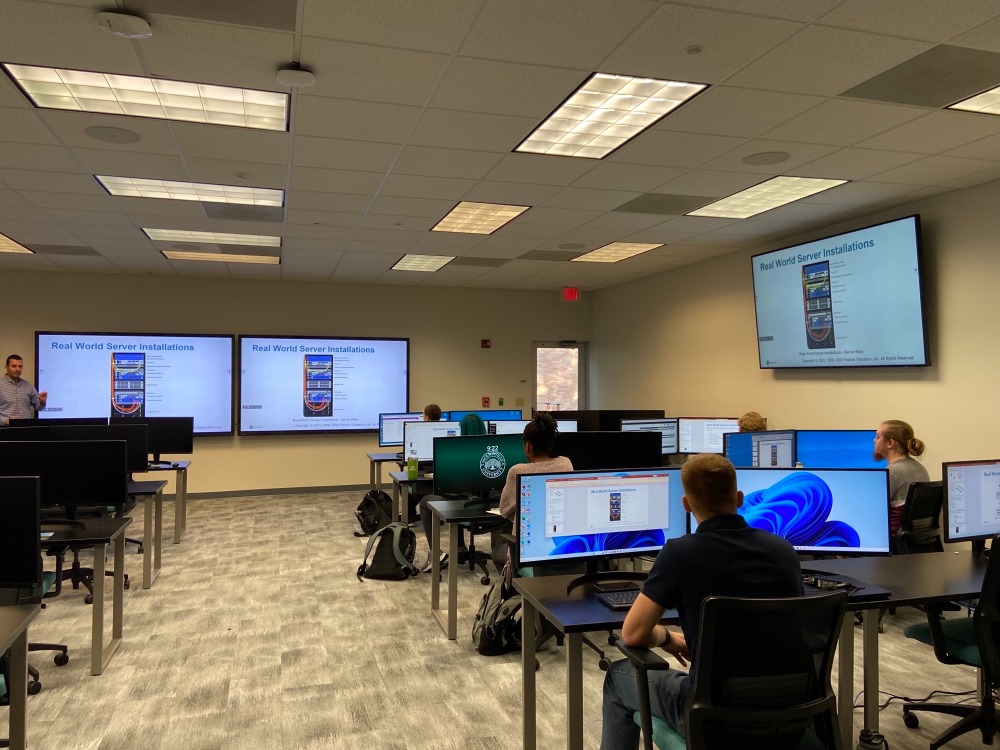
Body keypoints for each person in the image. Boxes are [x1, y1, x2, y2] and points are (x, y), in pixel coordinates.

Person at [601, 453, 803, 748]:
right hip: (794, 712)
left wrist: (666, 637)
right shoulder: (783, 550)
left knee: (617, 675)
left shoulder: (679, 554)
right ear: (739, 498)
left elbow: (633, 634)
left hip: (714, 718)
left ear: (686, 504)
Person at [418, 413, 487, 571]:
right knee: (459, 498)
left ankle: (436, 553)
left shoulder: (458, 452)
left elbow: (449, 488)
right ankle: (460, 547)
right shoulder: (493, 451)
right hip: (487, 508)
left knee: (425, 502)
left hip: (466, 507)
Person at [498, 411, 573, 524]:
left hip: (526, 532)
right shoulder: (565, 463)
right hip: (558, 529)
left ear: (528, 446)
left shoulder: (517, 471)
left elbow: (505, 511)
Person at [873, 419, 929, 537]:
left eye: (877, 437)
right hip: (915, 543)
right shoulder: (920, 468)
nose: (874, 440)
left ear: (890, 443)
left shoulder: (891, 473)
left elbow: (872, 511)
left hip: (891, 541)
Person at [0, 354, 47, 426]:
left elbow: (38, 408)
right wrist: (5, 421)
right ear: (6, 367)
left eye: (20, 366)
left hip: (25, 428)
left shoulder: (28, 386)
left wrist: (42, 402)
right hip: (5, 428)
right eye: (14, 366)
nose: (18, 369)